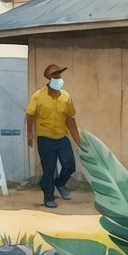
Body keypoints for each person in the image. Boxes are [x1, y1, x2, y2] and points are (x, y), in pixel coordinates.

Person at [26, 64, 81, 209]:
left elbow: (70, 118)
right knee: (49, 169)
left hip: (62, 137)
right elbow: (30, 114)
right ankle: (49, 197)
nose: (59, 79)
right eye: (55, 76)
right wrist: (30, 133)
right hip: (45, 138)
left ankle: (60, 183)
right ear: (49, 78)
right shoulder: (38, 95)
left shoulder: (66, 96)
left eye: (60, 76)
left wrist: (78, 140)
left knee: (69, 166)